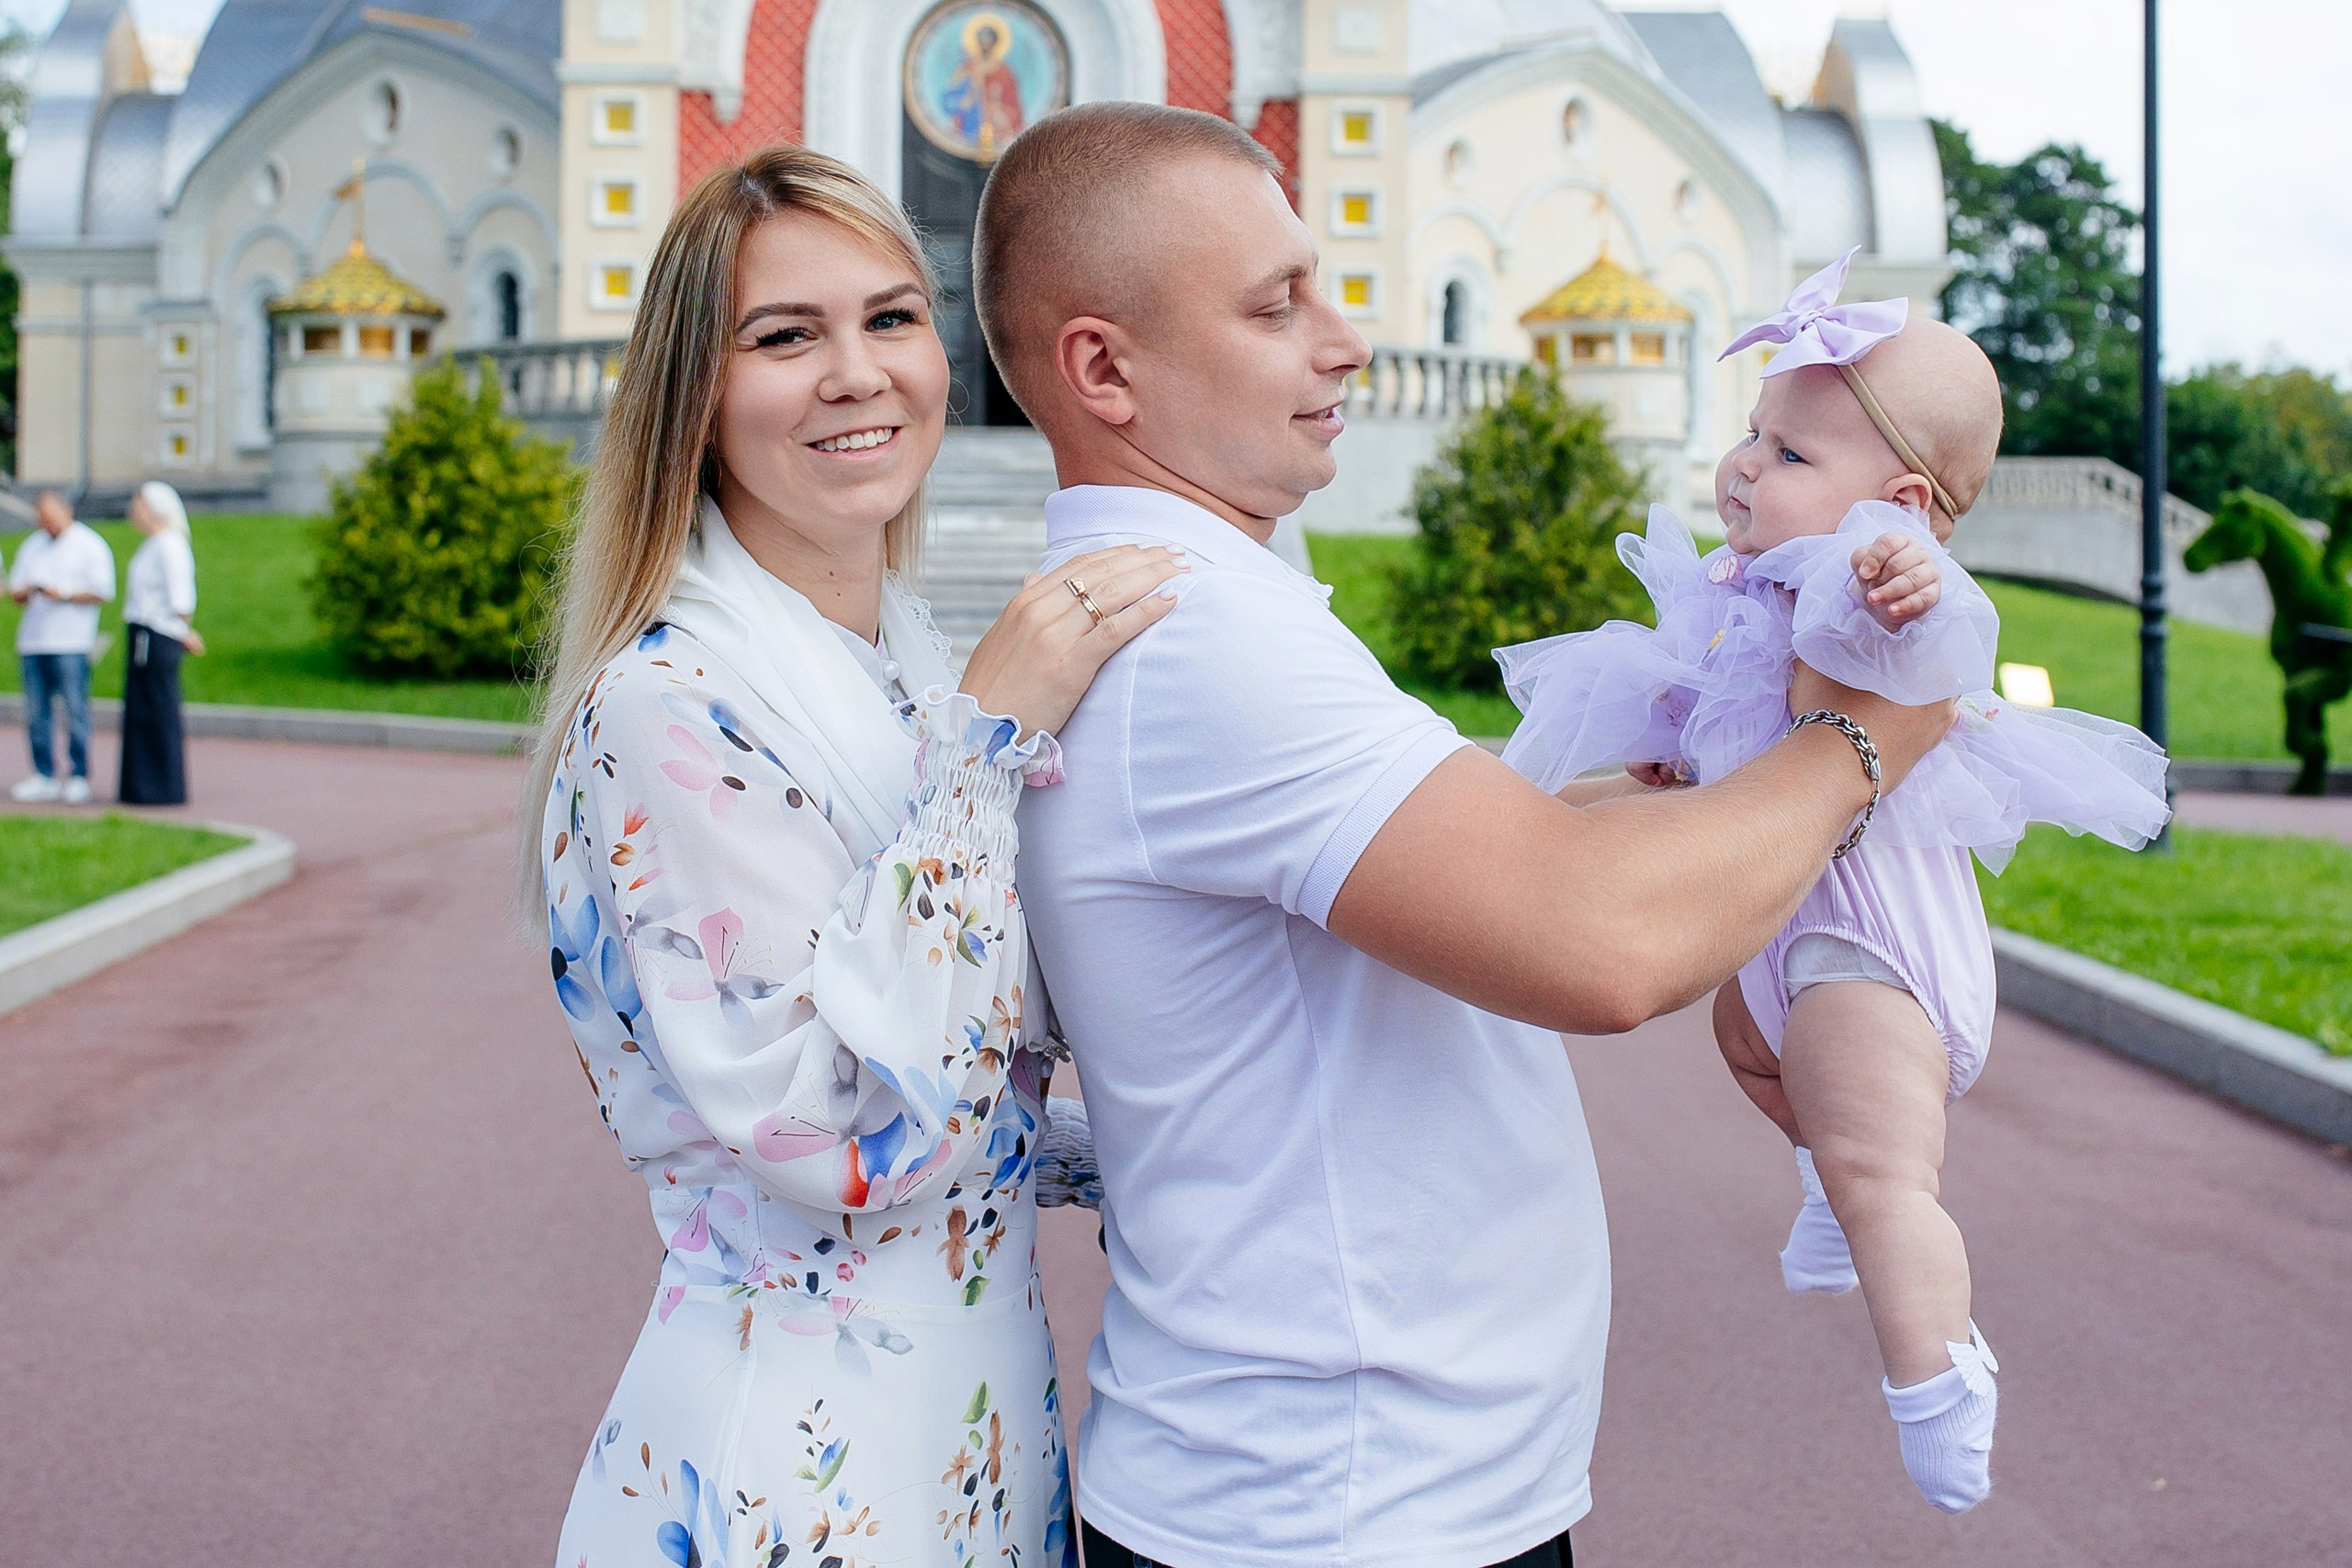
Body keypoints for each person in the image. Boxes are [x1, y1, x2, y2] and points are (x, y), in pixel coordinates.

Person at [970, 102, 1958, 1568]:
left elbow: (1415, 868)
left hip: (1335, 1485)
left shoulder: (1195, 607)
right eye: (1275, 306)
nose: (1345, 340)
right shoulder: (1203, 645)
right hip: (1338, 1505)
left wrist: (1665, 799)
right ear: (1105, 368)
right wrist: (1871, 737)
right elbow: (1602, 945)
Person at [521, 146, 1180, 1567]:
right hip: (798, 1471)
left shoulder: (897, 669)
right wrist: (986, 751)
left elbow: (971, 1079)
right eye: (784, 336)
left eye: (891, 317)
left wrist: (1163, 1145)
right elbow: (838, 1134)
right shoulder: (670, 706)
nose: (859, 372)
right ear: (694, 394)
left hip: (966, 1431)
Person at [1495, 251, 2170, 1512]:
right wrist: (1676, 750)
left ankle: (1939, 1371)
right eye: (1754, 434)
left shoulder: (1873, 588)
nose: (1746, 467)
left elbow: (1926, 640)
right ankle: (1819, 1172)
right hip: (1784, 935)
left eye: (1792, 453)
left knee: (1885, 1177)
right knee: (1748, 1046)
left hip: (1872, 952)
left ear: (1900, 505)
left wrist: (1907, 581)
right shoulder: (1743, 587)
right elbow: (1736, 716)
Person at [9, 490, 115, 805]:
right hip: (34, 641)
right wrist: (29, 591)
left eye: (51, 519)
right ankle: (44, 774)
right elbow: (15, 591)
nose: (47, 525)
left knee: (75, 708)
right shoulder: (32, 546)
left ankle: (78, 774)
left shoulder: (89, 544)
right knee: (36, 712)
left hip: (71, 641)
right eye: (42, 520)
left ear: (66, 511)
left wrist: (65, 594)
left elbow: (104, 591)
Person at [119, 480, 204, 806]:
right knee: (141, 709)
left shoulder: (170, 544)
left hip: (158, 634)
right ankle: (141, 786)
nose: (133, 512)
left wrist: (181, 632)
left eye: (138, 506)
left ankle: (161, 786)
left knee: (158, 709)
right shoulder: (153, 544)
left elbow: (181, 600)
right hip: (143, 632)